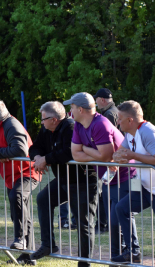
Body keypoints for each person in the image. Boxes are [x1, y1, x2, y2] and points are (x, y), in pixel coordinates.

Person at [65, 92, 136, 262]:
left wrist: (86, 149)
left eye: (72, 107)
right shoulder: (79, 124)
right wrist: (95, 152)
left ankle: (132, 252)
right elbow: (76, 154)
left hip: (126, 175)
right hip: (108, 177)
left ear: (80, 109)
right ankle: (116, 259)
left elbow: (105, 156)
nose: (70, 111)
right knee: (112, 223)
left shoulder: (100, 124)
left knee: (120, 218)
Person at [29, 101, 93, 265]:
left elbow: (69, 153)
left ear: (54, 119)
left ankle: (84, 263)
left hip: (82, 181)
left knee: (83, 222)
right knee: (43, 199)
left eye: (44, 119)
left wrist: (46, 159)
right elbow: (35, 147)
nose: (41, 122)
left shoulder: (70, 128)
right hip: (64, 179)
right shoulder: (46, 129)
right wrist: (38, 158)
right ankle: (48, 244)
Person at [0, 99, 40, 265]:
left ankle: (20, 239)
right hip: (11, 176)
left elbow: (21, 149)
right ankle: (27, 256)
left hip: (27, 172)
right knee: (19, 213)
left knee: (17, 195)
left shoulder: (12, 125)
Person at [111, 100, 152, 264]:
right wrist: (116, 156)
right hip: (145, 186)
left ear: (130, 120)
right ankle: (133, 252)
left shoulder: (148, 132)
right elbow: (120, 152)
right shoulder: (130, 134)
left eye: (120, 118)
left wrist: (133, 156)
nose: (117, 122)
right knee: (122, 208)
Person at [93, 88, 120, 234]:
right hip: (113, 161)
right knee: (106, 193)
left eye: (96, 99)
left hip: (110, 163)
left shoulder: (109, 115)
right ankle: (106, 224)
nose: (96, 103)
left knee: (105, 193)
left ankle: (104, 225)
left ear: (102, 100)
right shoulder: (113, 111)